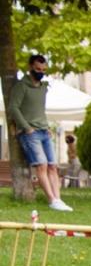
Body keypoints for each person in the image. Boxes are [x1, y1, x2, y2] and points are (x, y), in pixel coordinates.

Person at [7, 54, 72, 211]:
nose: (40, 72)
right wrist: (26, 127)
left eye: (43, 69)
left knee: (52, 166)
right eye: (37, 69)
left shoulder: (44, 88)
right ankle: (51, 200)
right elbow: (13, 108)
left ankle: (58, 200)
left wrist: (47, 126)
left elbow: (39, 110)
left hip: (44, 131)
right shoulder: (21, 86)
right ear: (30, 67)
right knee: (41, 165)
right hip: (30, 133)